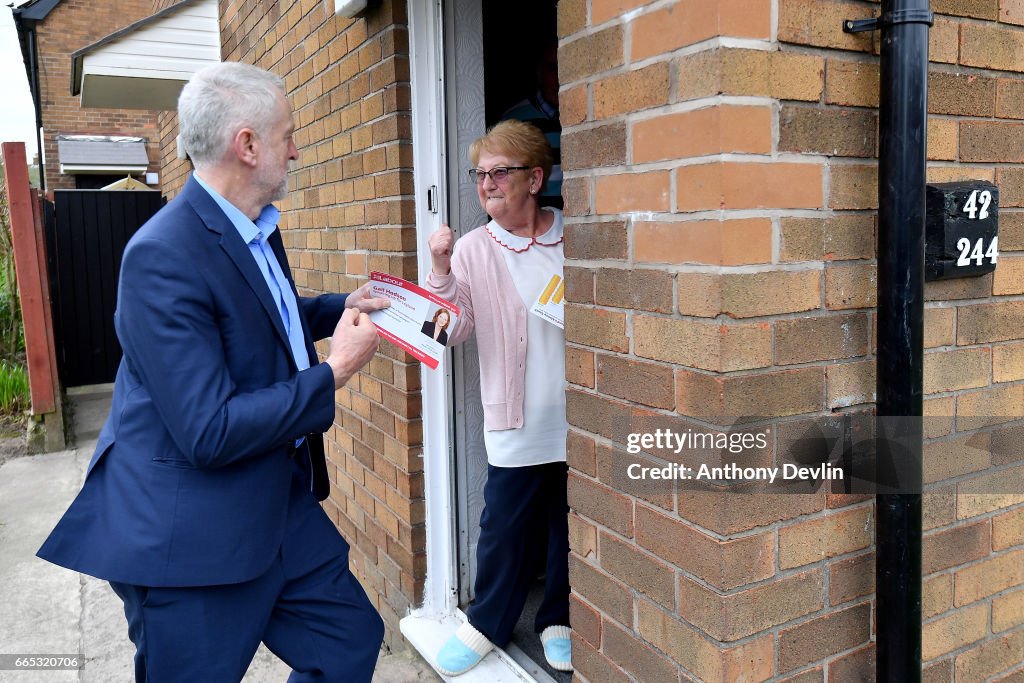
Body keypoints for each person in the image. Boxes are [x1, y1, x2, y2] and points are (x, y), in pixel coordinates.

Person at [37, 62, 389, 683]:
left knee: (349, 640)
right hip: (190, 532)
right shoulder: (161, 255)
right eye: (288, 135)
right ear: (247, 145)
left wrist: (340, 309)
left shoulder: (252, 226)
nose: (297, 148)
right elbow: (209, 430)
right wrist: (332, 373)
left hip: (277, 501)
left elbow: (259, 318)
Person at [425, 120, 571, 676]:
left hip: (575, 415)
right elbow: (450, 328)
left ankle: (557, 616)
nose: (486, 184)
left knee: (567, 520)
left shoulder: (571, 235)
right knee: (503, 527)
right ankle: (488, 622)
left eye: (499, 172)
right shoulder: (472, 249)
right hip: (516, 417)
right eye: (480, 174)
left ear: (535, 178)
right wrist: (440, 272)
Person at [500, 38, 561, 209]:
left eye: (565, 67)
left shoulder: (589, 117)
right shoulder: (513, 121)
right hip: (536, 229)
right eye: (553, 68)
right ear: (539, 72)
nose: (559, 77)